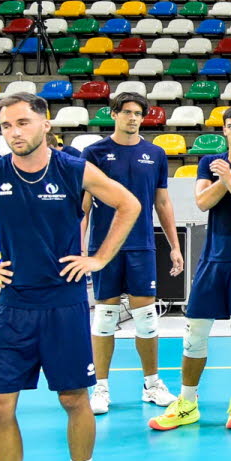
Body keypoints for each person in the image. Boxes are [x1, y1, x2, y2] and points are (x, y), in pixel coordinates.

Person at [0, 93, 140, 461]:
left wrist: (99, 259)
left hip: (63, 303)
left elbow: (129, 205)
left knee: (73, 399)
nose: (14, 132)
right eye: (6, 126)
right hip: (14, 305)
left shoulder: (73, 170)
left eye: (22, 123)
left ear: (45, 124)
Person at [149, 105, 231, 431]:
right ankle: (188, 404)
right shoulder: (210, 162)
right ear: (223, 130)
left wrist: (229, 179)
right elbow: (203, 202)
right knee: (194, 332)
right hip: (212, 258)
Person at [81, 91, 184, 415]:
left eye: (138, 113)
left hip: (141, 245)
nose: (133, 118)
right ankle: (101, 387)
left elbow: (163, 202)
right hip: (104, 247)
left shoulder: (154, 154)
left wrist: (175, 246)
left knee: (146, 320)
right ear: (114, 114)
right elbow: (83, 204)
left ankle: (152, 384)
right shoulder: (94, 152)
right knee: (105, 319)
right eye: (126, 112)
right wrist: (79, 249)